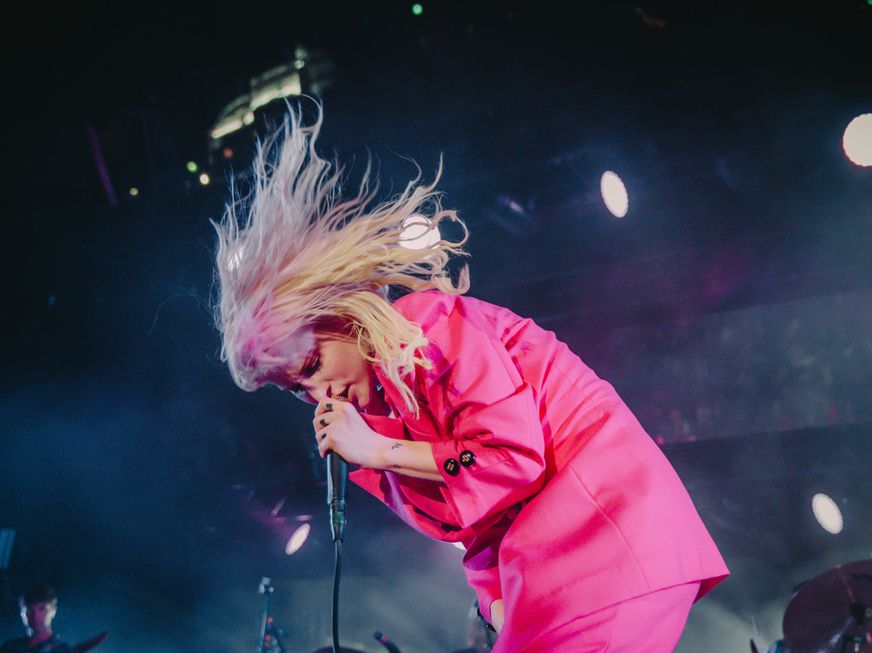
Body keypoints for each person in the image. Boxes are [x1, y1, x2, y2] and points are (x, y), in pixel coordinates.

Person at [212, 105, 728, 652]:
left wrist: (382, 451)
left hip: (612, 536)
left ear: (344, 319)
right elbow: (474, 519)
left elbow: (512, 457)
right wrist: (494, 597)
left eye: (314, 366)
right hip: (556, 566)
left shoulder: (428, 329)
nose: (321, 394)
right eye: (298, 390)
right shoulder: (385, 417)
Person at [1, 583, 70, 653]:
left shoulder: (62, 650)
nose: (35, 615)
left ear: (53, 611)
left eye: (41, 609)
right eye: (29, 610)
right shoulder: (9, 647)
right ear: (22, 613)